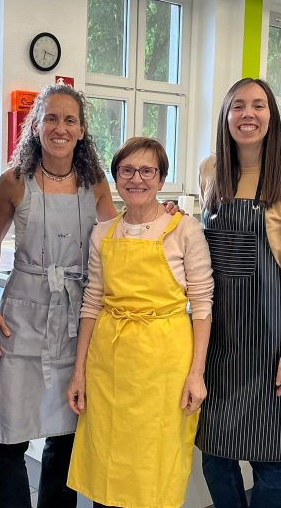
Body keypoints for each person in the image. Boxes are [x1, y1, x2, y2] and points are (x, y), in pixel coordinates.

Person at [0, 83, 116, 508]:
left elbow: (120, 239)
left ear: (82, 130)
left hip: (75, 317)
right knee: (10, 435)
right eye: (51, 118)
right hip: (20, 314)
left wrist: (161, 218)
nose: (60, 127)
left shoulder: (95, 183)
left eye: (70, 120)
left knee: (65, 435)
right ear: (36, 126)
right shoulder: (14, 181)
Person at [67, 137, 214, 508]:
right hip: (109, 363)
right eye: (127, 170)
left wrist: (197, 374)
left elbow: (202, 306)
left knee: (154, 464)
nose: (137, 179)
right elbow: (92, 302)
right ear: (116, 178)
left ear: (161, 179)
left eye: (147, 171)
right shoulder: (103, 232)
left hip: (164, 366)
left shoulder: (185, 230)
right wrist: (79, 372)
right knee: (107, 460)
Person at [197, 78, 281, 508]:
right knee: (214, 454)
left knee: (271, 462)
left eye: (258, 105)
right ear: (225, 116)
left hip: (271, 343)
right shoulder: (210, 171)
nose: (248, 114)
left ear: (272, 117)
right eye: (238, 105)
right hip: (219, 340)